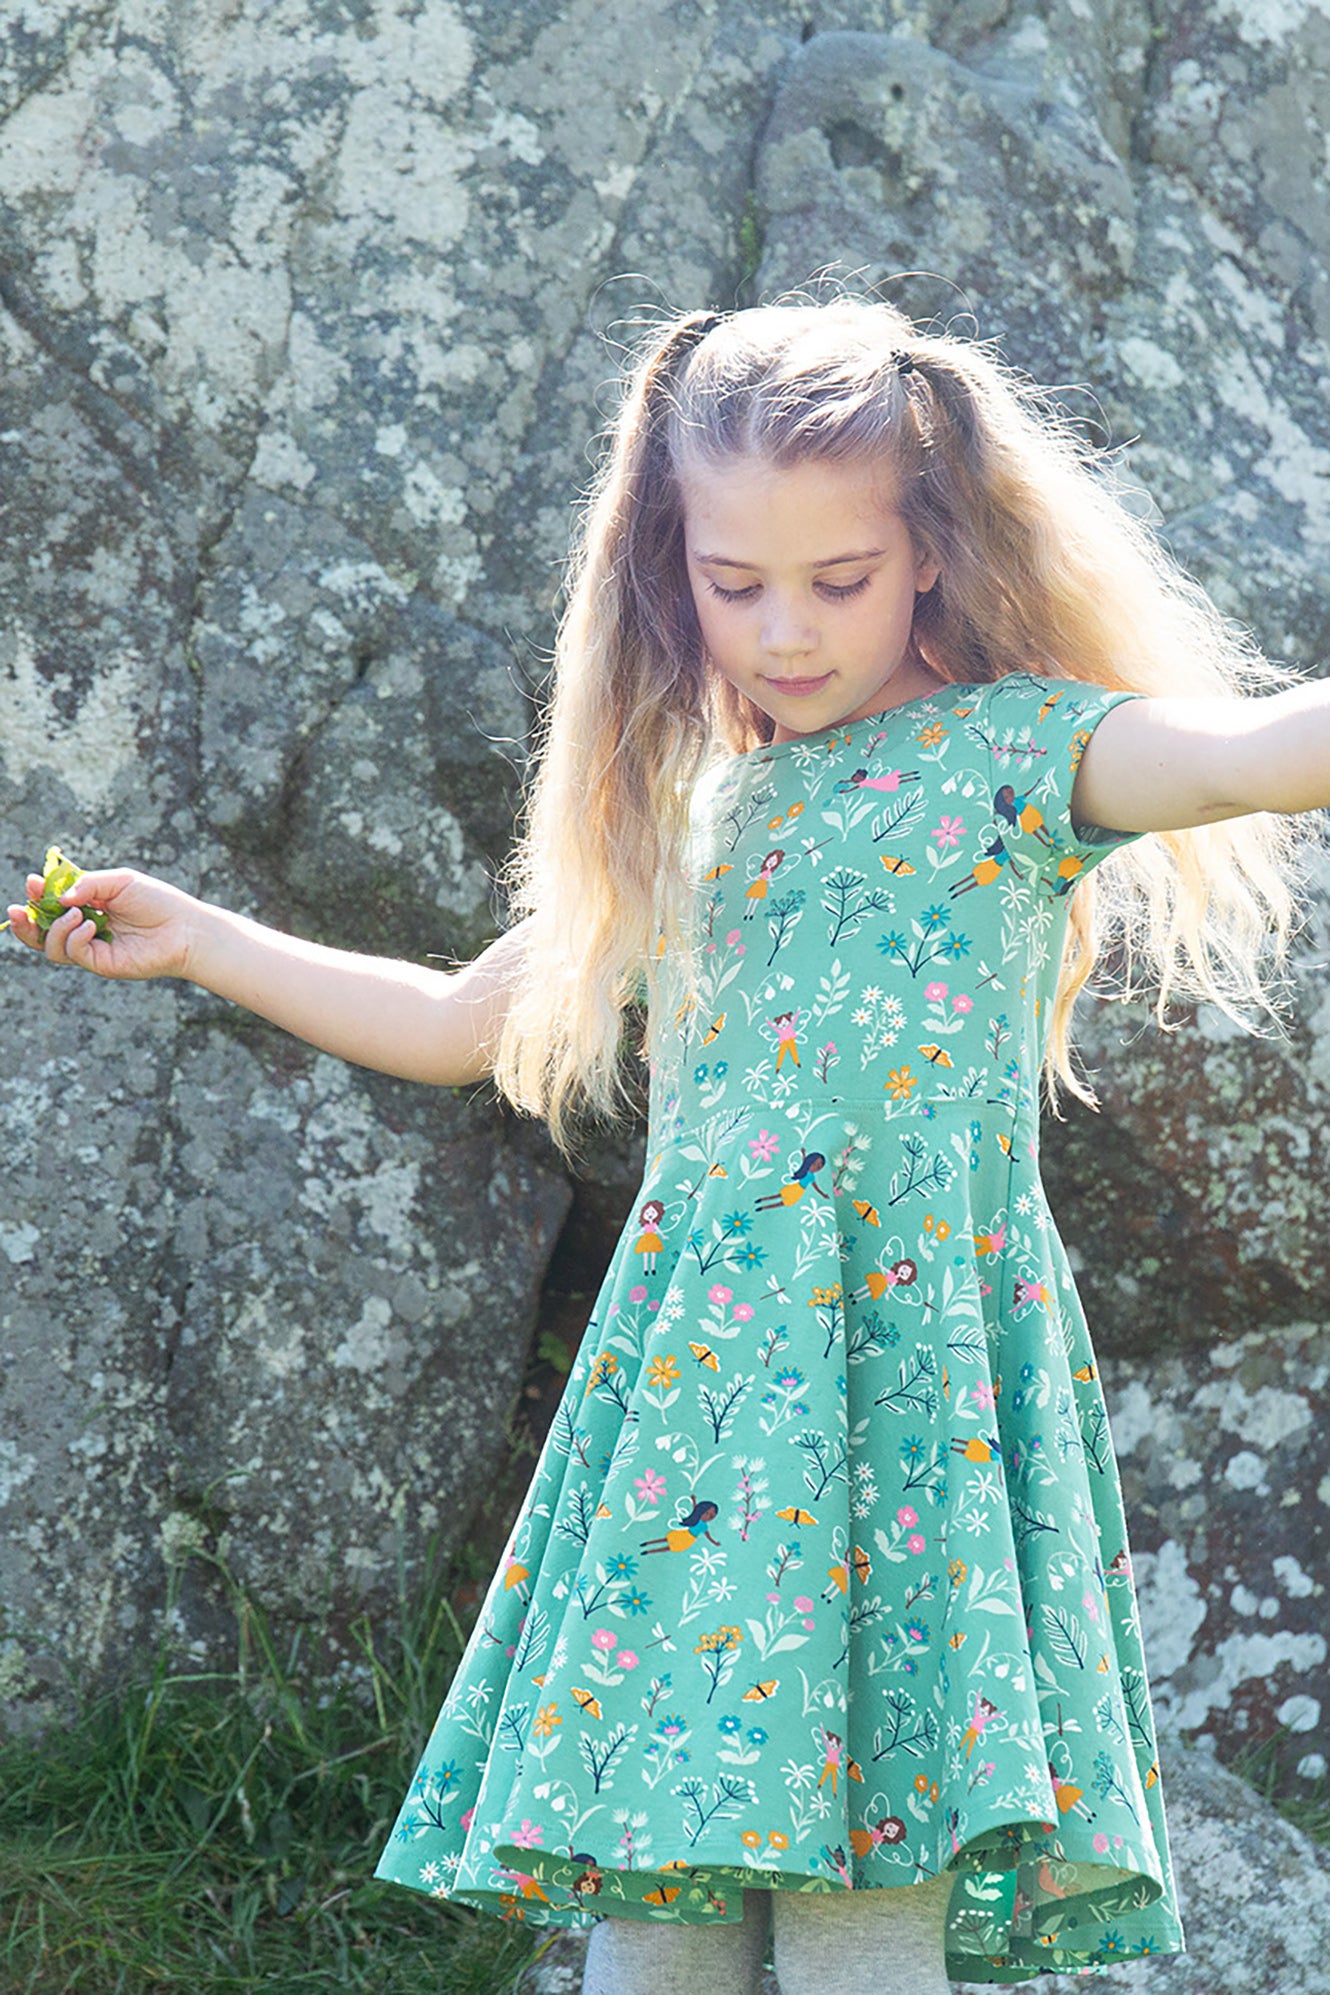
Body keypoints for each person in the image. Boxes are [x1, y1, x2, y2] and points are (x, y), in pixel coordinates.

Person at [8, 295, 1326, 1994]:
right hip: (699, 1407)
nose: (785, 631)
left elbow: (1255, 755)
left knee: (874, 1893)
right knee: (657, 1897)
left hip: (904, 1394)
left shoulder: (1014, 754)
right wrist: (203, 941)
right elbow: (459, 1022)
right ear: (668, 567)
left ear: (929, 551)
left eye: (837, 579)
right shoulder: (695, 810)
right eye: (733, 582)